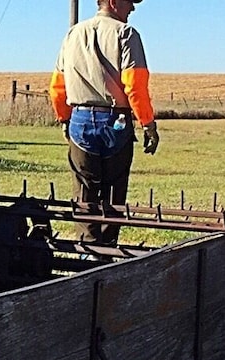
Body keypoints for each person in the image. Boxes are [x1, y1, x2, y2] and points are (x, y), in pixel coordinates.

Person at [50, 0, 161, 245]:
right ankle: (108, 248)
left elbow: (58, 86)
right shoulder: (126, 34)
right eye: (130, 2)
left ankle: (87, 248)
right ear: (113, 2)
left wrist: (64, 119)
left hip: (79, 120)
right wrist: (148, 124)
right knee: (113, 192)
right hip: (115, 121)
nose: (132, 8)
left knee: (84, 190)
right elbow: (135, 86)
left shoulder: (73, 34)